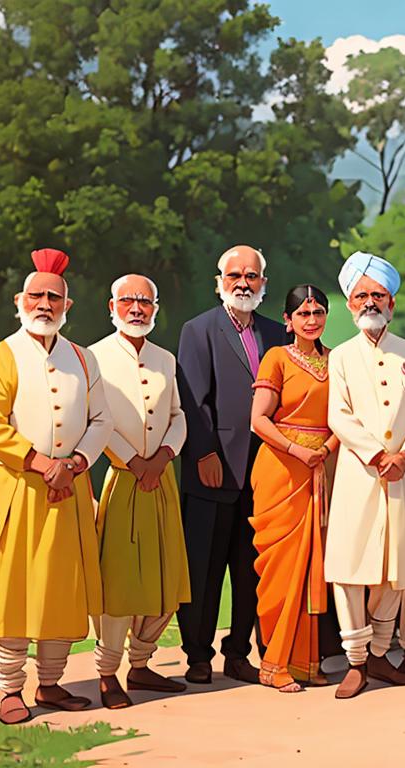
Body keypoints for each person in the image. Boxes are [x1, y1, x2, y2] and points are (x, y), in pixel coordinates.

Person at [0, 248, 112, 724]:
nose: (45, 303)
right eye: (37, 295)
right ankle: (8, 689)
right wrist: (42, 463)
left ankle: (50, 683)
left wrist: (78, 461)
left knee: (62, 589)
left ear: (69, 306)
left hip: (70, 494)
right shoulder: (0, 357)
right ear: (18, 300)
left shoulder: (83, 360)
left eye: (54, 297)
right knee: (13, 590)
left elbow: (101, 419)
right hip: (19, 491)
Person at [176, 245, 289, 685]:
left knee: (250, 571)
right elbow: (191, 399)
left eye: (252, 275)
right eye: (235, 274)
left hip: (265, 475)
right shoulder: (198, 330)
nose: (243, 282)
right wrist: (204, 453)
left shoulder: (275, 332)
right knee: (204, 570)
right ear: (218, 281)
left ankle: (239, 652)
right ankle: (198, 655)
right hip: (213, 469)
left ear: (264, 283)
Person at [326, 252, 405, 699]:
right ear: (350, 305)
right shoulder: (341, 356)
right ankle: (356, 660)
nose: (370, 302)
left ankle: (378, 652)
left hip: (403, 476)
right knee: (352, 568)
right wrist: (377, 456)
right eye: (361, 295)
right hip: (360, 475)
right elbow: (339, 415)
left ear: (391, 302)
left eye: (378, 295)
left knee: (398, 569)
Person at [90, 274, 190, 709]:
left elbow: (178, 414)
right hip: (123, 478)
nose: (137, 308)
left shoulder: (165, 358)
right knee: (120, 580)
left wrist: (164, 455)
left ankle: (143, 664)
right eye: (128, 301)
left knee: (166, 575)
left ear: (155, 307)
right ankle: (107, 672)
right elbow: (99, 419)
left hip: (161, 480)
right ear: (111, 307)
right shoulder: (92, 357)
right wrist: (134, 461)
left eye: (145, 302)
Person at [248, 284, 338, 692]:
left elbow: (343, 417)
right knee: (281, 568)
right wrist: (298, 451)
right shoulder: (277, 358)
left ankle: (305, 661)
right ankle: (273, 662)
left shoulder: (335, 361)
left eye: (318, 312)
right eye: (303, 314)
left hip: (320, 468)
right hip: (281, 469)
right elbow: (259, 420)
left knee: (311, 567)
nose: (312, 320)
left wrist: (326, 449)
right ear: (287, 320)